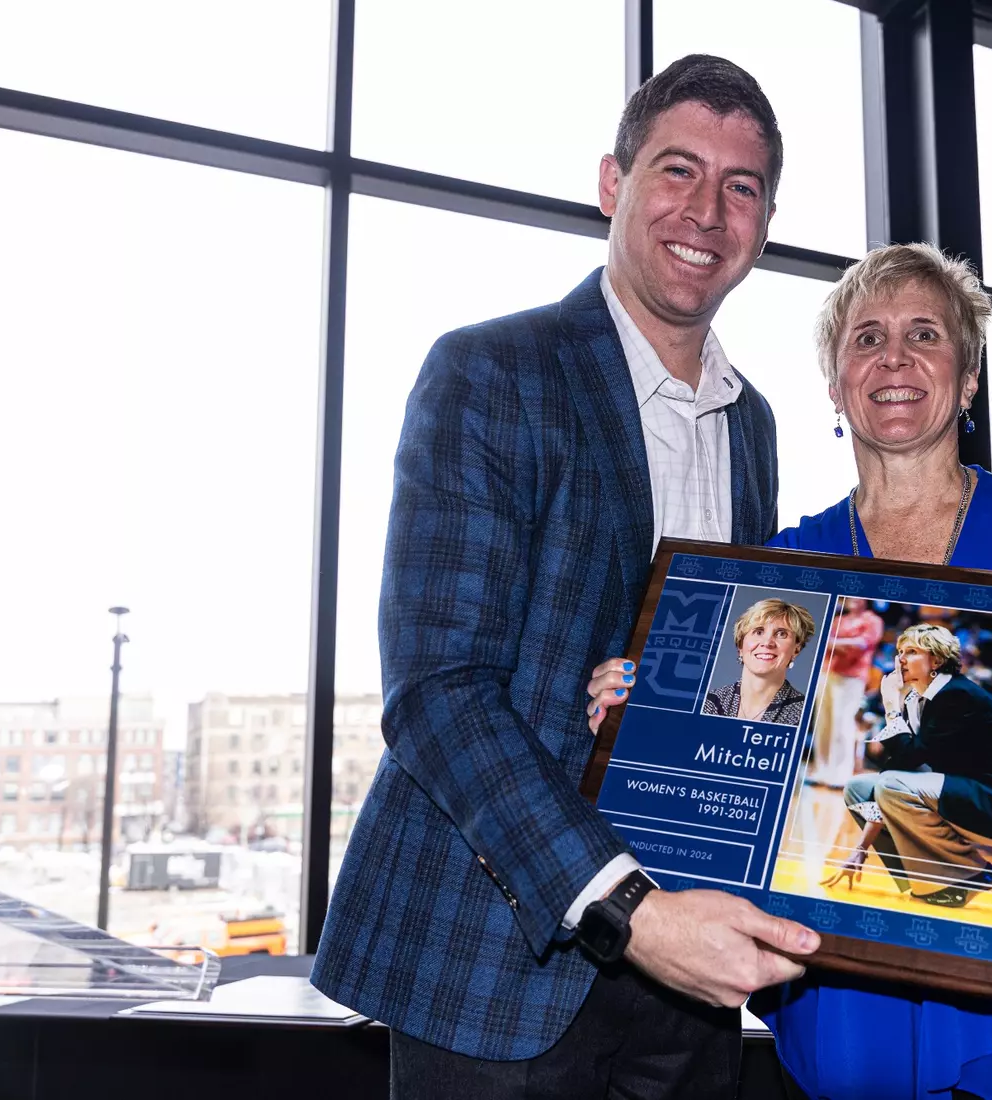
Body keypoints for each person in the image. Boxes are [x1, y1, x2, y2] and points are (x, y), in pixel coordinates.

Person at [589, 241, 992, 1099]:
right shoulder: (786, 568)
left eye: (925, 334)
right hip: (863, 1001)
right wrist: (636, 718)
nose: (894, 357)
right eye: (867, 338)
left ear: (968, 380)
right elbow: (732, 756)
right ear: (835, 384)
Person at [312, 55, 821, 1100]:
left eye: (741, 186)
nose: (706, 210)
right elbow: (437, 693)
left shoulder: (753, 425)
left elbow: (728, 674)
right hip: (497, 964)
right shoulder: (490, 373)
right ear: (611, 183)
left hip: (687, 986)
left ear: (765, 224)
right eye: (677, 170)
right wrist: (630, 909)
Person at [824, 623, 992, 907]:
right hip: (965, 796)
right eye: (900, 651)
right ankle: (922, 877)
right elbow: (898, 769)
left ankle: (969, 871)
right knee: (859, 788)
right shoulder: (918, 699)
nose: (900, 659)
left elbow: (908, 763)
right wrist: (861, 848)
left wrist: (891, 707)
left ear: (936, 660)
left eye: (911, 652)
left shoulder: (956, 695)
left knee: (889, 786)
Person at [805, 596, 884, 786]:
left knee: (843, 723)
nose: (852, 599)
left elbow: (861, 645)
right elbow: (819, 642)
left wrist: (832, 643)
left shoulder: (872, 620)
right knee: (823, 723)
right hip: (827, 672)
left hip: (851, 677)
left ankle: (840, 774)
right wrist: (839, 644)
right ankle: (822, 769)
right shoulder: (838, 620)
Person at [702, 597, 817, 724]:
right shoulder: (708, 703)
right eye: (758, 632)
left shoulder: (808, 715)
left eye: (781, 634)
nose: (767, 643)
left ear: (796, 649)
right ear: (740, 645)